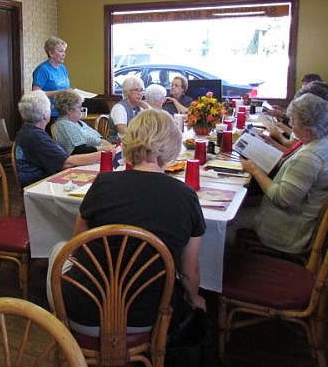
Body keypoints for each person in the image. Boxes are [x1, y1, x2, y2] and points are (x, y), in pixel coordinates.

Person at [48, 109, 206, 334]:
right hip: (148, 316)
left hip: (85, 311)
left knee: (58, 249)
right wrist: (194, 299)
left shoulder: (103, 183)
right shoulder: (186, 196)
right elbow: (189, 271)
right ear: (172, 146)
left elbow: (77, 245)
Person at [240, 93, 328, 254]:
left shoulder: (310, 158)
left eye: (293, 122)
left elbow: (282, 199)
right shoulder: (324, 142)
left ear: (307, 131)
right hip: (292, 215)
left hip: (287, 230)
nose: (291, 126)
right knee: (243, 201)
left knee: (227, 223)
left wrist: (254, 169)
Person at [14, 90, 102, 187]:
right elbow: (66, 163)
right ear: (45, 114)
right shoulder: (36, 136)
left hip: (42, 182)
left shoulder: (28, 131)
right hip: (40, 186)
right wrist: (103, 154)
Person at [263, 81, 328, 159]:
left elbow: (289, 153)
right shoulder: (321, 130)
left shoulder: (313, 140)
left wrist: (277, 136)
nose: (291, 124)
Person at [53, 90, 113, 155]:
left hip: (97, 155)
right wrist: (104, 148)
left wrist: (110, 147)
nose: (81, 109)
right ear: (68, 110)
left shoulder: (78, 122)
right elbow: (79, 150)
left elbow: (99, 139)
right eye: (79, 107)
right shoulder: (64, 124)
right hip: (86, 159)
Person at [32, 36, 71, 119]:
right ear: (51, 53)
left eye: (64, 51)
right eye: (61, 51)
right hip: (49, 115)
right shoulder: (42, 70)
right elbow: (36, 94)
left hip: (64, 113)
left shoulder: (63, 68)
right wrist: (58, 93)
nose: (64, 54)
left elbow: (66, 88)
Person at [107, 76, 148, 142]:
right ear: (126, 92)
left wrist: (147, 108)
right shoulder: (119, 108)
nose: (140, 93)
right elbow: (123, 131)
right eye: (136, 90)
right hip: (118, 144)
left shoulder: (140, 107)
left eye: (141, 90)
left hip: (136, 143)